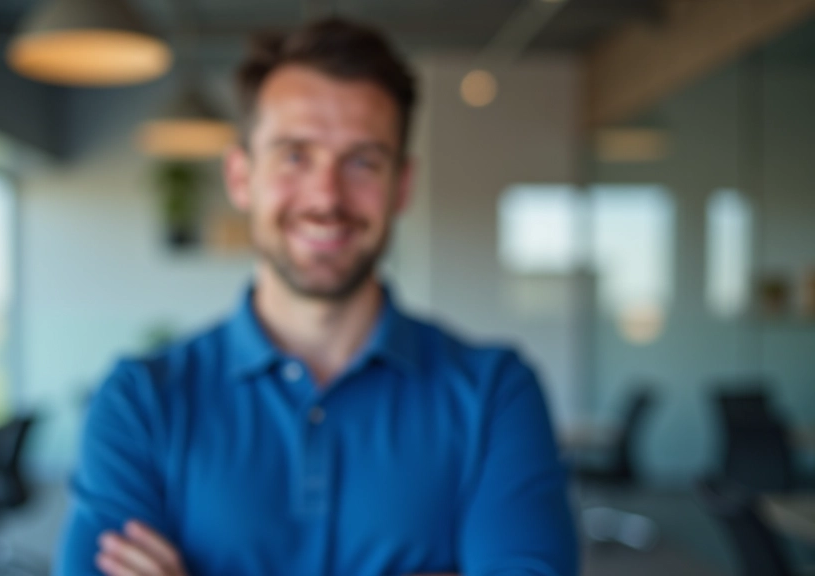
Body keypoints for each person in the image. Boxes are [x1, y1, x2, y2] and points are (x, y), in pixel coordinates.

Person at [56, 17, 578, 576]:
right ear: (240, 177)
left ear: (401, 185)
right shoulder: (141, 403)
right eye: (294, 156)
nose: (326, 197)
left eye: (362, 162)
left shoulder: (494, 396)